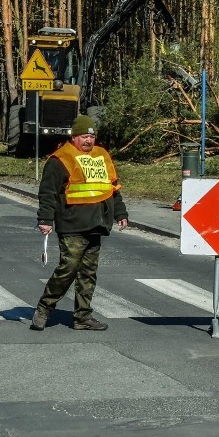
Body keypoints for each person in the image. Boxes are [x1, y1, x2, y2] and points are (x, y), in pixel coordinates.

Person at [30, 114, 128, 332]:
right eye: (84, 136)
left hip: (97, 223)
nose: (89, 141)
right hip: (72, 224)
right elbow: (48, 193)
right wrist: (45, 219)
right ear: (74, 137)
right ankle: (44, 307)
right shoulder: (61, 159)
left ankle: (83, 317)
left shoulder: (102, 155)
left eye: (91, 137)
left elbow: (113, 188)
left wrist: (120, 213)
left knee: (88, 273)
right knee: (68, 268)